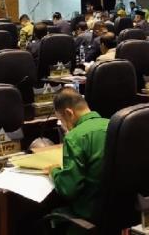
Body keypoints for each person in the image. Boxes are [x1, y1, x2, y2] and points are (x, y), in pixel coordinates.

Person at [46, 87, 109, 221]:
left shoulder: (75, 137)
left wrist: (54, 171)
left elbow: (68, 190)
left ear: (69, 113)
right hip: (117, 210)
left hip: (89, 212)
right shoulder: (113, 124)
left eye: (61, 121)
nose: (64, 126)